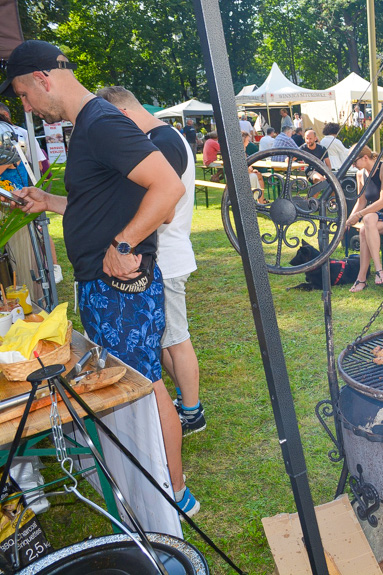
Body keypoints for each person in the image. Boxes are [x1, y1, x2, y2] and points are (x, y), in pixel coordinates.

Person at [2, 40, 198, 515]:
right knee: (137, 387)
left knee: (141, 389)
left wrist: (123, 244)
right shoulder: (88, 125)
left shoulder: (102, 121)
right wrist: (48, 202)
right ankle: (155, 490)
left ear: (43, 78)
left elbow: (167, 188)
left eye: (24, 95)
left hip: (121, 288)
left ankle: (171, 496)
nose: (25, 106)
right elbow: (108, 201)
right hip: (104, 286)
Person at [97, 86, 206, 437]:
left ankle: (192, 413)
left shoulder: (164, 141)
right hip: (164, 257)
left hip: (168, 258)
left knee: (176, 339)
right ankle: (186, 405)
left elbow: (167, 210)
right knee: (166, 340)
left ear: (123, 114)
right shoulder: (162, 137)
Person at [346, 145, 383, 292]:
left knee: (367, 221)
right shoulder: (360, 174)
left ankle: (375, 272)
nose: (353, 166)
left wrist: (358, 215)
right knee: (364, 229)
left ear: (365, 157)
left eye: (354, 162)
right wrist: (348, 221)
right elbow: (361, 202)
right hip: (376, 217)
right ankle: (364, 278)